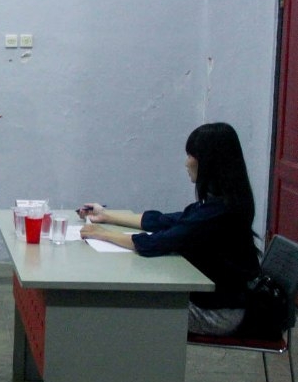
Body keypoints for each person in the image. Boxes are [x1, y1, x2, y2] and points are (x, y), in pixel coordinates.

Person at [79, 122, 260, 335]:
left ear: (209, 161)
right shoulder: (222, 202)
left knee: (123, 308)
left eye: (191, 155)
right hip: (214, 302)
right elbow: (165, 221)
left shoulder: (218, 213)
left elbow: (154, 242)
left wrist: (103, 234)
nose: (186, 162)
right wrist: (106, 215)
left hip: (217, 313)